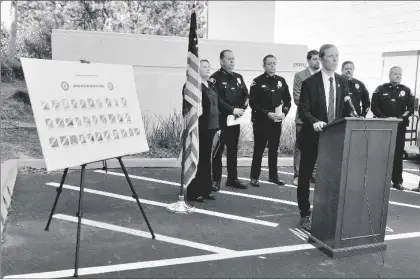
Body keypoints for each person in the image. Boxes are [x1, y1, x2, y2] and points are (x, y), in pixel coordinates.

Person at [297, 44, 351, 231]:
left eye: (337, 55)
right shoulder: (310, 83)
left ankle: (328, 211)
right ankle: (305, 214)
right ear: (321, 59)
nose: (335, 59)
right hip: (313, 136)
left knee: (332, 176)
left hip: (334, 137)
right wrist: (314, 121)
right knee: (305, 176)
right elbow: (303, 109)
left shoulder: (342, 81)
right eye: (331, 56)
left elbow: (344, 109)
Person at [249, 55, 292, 187]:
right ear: (264, 66)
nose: (272, 66)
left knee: (274, 149)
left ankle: (273, 176)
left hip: (276, 120)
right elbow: (253, 103)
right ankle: (254, 177)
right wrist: (267, 113)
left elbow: (288, 100)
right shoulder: (257, 82)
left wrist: (284, 113)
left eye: (274, 63)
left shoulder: (281, 81)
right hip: (262, 120)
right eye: (269, 64)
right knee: (259, 149)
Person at [210, 50, 249, 190]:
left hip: (235, 120)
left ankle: (232, 179)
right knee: (218, 151)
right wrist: (232, 110)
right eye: (229, 59)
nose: (232, 62)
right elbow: (216, 100)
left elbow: (246, 95)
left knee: (233, 150)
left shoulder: (238, 77)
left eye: (233, 59)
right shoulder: (215, 78)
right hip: (221, 120)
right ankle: (215, 181)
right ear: (221, 61)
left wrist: (241, 110)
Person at [371, 66, 415, 190]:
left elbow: (411, 108)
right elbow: (374, 106)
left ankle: (397, 181)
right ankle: (379, 179)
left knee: (398, 153)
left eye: (400, 74)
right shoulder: (380, 89)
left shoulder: (406, 90)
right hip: (383, 126)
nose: (398, 76)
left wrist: (401, 118)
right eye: (395, 73)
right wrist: (385, 119)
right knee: (381, 153)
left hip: (400, 127)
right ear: (390, 75)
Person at [185, 59, 221, 202]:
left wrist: (219, 127)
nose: (208, 68)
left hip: (212, 128)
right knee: (198, 159)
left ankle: (206, 189)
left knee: (207, 160)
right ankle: (194, 191)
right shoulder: (194, 87)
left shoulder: (211, 85)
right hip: (200, 128)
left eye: (209, 66)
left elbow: (217, 106)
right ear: (197, 70)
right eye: (204, 66)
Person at [292, 50, 321, 186]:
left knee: (317, 147)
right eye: (314, 59)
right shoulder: (300, 76)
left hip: (319, 120)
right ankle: (298, 175)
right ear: (308, 60)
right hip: (303, 119)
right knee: (301, 147)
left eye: (319, 59)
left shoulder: (324, 76)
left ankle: (313, 174)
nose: (317, 62)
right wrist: (313, 111)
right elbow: (298, 98)